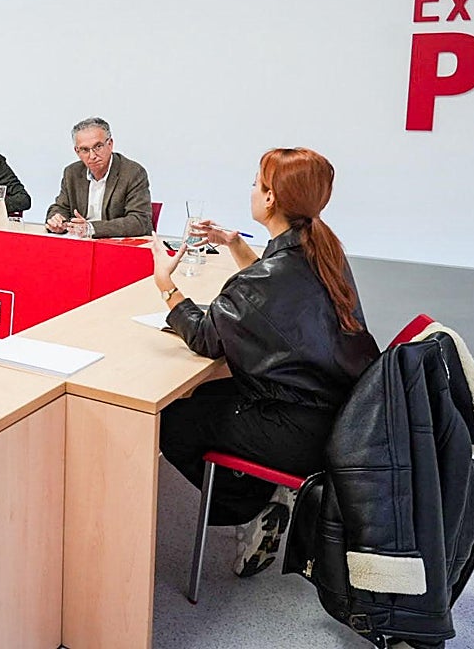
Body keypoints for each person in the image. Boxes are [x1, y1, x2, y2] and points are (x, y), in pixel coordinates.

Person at [151, 147, 379, 578]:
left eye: (257, 182)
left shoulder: (265, 279)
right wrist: (235, 245)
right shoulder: (322, 250)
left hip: (295, 427)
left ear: (271, 198)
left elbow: (205, 338)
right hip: (335, 413)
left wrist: (167, 287)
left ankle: (252, 505)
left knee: (173, 420)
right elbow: (275, 295)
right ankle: (261, 491)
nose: (252, 189)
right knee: (207, 394)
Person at [45, 117, 152, 238]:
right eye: (85, 150)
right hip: (81, 245)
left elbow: (140, 221)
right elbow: (60, 207)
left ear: (110, 144)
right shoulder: (72, 173)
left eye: (98, 147)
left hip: (117, 246)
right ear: (77, 151)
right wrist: (57, 220)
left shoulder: (132, 172)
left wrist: (91, 228)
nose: (92, 156)